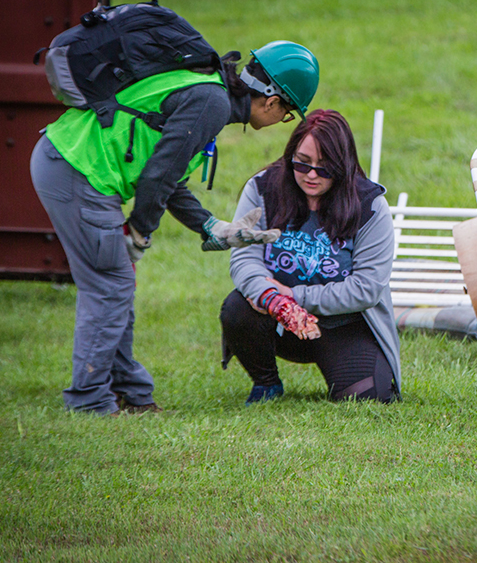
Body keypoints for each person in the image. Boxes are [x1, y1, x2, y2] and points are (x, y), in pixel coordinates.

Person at [30, 41, 320, 415]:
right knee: (110, 286)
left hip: (71, 164)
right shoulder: (212, 104)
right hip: (76, 171)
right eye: (287, 114)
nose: (281, 122)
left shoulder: (210, 90)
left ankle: (132, 393)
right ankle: (89, 401)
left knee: (115, 284)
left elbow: (168, 176)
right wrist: (139, 231)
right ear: (271, 102)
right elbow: (158, 176)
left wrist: (210, 226)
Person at [220, 109, 401, 404]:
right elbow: (243, 258)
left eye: (325, 167)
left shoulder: (370, 206)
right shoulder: (262, 188)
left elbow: (367, 288)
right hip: (276, 321)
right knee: (237, 307)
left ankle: (343, 365)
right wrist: (273, 300)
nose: (312, 175)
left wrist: (293, 295)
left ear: (343, 165)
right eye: (302, 164)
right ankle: (266, 383)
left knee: (370, 397)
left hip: (343, 325)